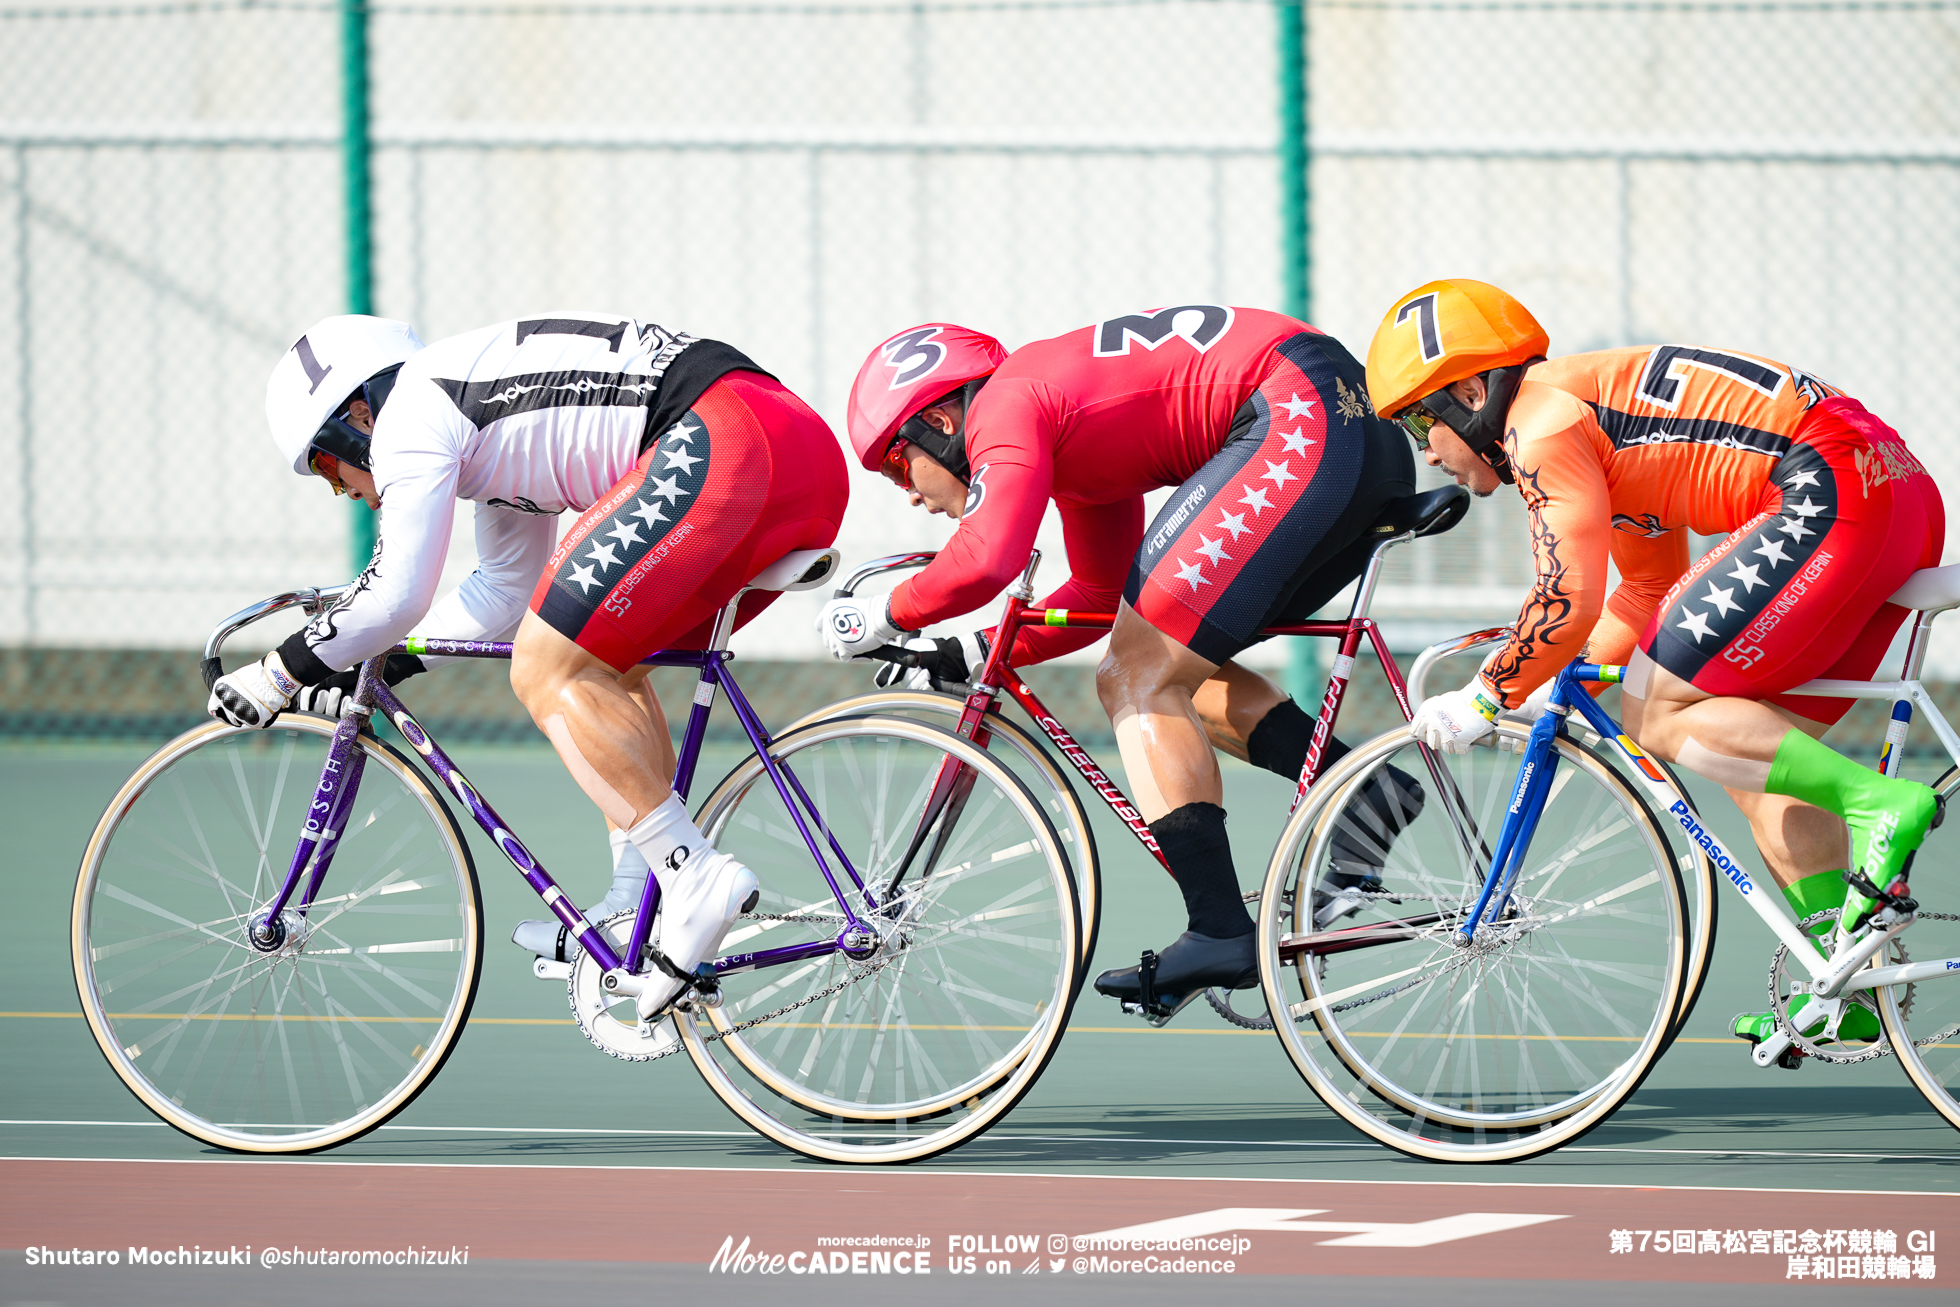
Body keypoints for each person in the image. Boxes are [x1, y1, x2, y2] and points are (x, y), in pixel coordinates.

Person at [210, 312, 848, 1023]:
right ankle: (638, 898)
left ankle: (692, 874)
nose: (346, 490)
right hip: (789, 446)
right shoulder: (475, 420)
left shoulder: (412, 410)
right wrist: (383, 657)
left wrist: (278, 671)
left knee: (542, 668)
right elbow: (504, 591)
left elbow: (394, 591)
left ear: (359, 413)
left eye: (329, 467)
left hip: (723, 439)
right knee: (598, 658)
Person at [1365, 278, 1945, 1052]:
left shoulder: (1539, 424)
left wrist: (1487, 694)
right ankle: (1847, 975)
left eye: (1417, 421)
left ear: (1471, 391)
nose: (1425, 450)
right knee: (1749, 754)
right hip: (1890, 491)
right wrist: (1557, 694)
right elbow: (1638, 590)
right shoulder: (1593, 418)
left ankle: (1878, 804)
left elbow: (1565, 595)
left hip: (1827, 488)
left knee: (1657, 710)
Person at [823, 308, 1424, 1021]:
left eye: (897, 467)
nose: (911, 495)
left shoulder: (1008, 402)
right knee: (1164, 659)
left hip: (1299, 413)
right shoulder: (1064, 432)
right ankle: (1364, 792)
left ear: (941, 423)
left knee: (1134, 677)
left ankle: (1219, 929)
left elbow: (988, 559)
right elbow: (1102, 597)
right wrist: (972, 648)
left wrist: (882, 613)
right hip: (1345, 422)